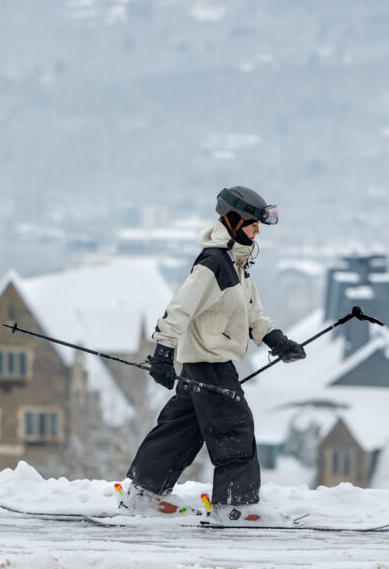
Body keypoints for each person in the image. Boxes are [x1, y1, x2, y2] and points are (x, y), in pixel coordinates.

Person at [121, 186, 307, 524]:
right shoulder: (213, 265)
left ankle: (145, 493)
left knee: (182, 427)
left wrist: (277, 341)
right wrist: (163, 353)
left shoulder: (237, 264)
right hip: (209, 363)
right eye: (252, 223)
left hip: (203, 364)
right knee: (234, 427)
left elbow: (252, 315)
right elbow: (179, 309)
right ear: (233, 221)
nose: (257, 230)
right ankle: (236, 505)